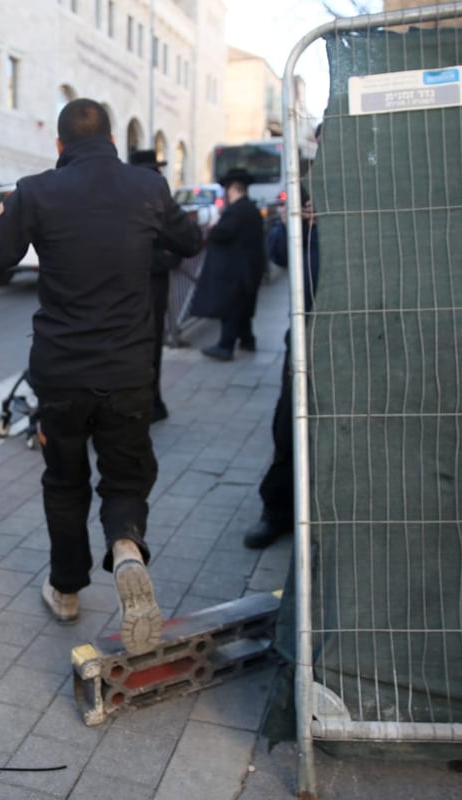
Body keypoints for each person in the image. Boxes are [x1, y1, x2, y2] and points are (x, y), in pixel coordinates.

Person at [0, 98, 202, 655]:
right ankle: (126, 547)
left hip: (62, 376)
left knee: (64, 481)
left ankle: (67, 589)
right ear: (113, 144)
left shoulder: (35, 193)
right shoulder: (147, 189)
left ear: (58, 147)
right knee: (126, 477)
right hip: (128, 373)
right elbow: (190, 240)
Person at [244, 185, 320, 548]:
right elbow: (278, 251)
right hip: (306, 330)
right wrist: (299, 224)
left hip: (358, 330)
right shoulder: (306, 191)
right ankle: (277, 510)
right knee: (288, 423)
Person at [128, 150, 183, 423]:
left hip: (129, 285)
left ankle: (144, 402)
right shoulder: (157, 194)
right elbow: (184, 238)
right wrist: (165, 259)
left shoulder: (124, 194)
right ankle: (149, 402)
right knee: (150, 345)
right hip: (151, 283)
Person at [189, 167, 266, 361]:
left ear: (233, 189)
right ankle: (247, 340)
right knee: (243, 308)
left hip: (236, 271)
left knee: (231, 308)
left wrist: (214, 227)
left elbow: (221, 234)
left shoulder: (236, 212)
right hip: (249, 268)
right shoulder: (251, 209)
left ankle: (226, 345)